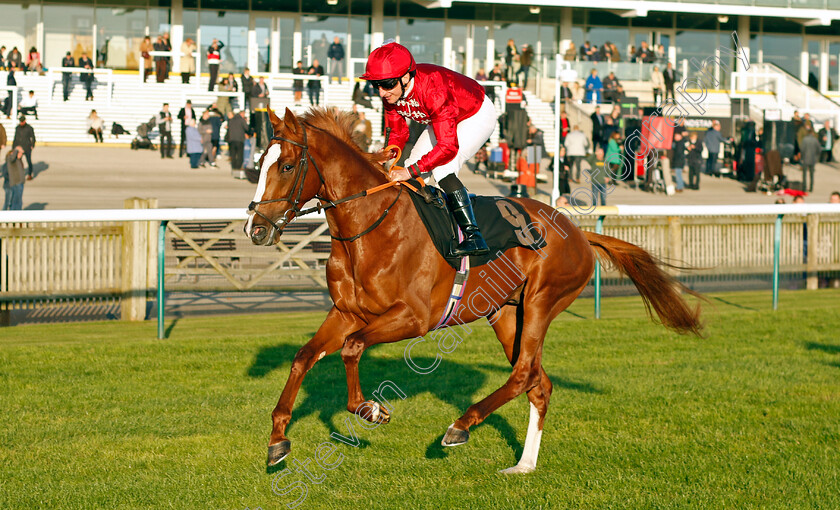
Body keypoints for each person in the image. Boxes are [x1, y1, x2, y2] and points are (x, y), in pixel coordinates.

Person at [361, 41, 495, 256]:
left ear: (405, 77)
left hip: (475, 114)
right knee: (412, 164)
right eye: (376, 85)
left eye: (386, 84)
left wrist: (409, 172)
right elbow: (398, 133)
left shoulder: (433, 90)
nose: (381, 93)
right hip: (444, 118)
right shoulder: (392, 94)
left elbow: (447, 147)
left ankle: (474, 235)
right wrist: (385, 156)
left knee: (442, 169)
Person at [13, 115, 35, 180]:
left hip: (27, 147)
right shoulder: (17, 128)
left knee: (29, 161)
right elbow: (15, 138)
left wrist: (32, 145)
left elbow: (33, 137)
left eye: (22, 121)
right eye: (20, 121)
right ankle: (20, 174)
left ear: (25, 121)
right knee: (19, 162)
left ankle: (29, 174)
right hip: (19, 147)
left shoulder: (29, 128)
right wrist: (14, 147)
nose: (21, 123)